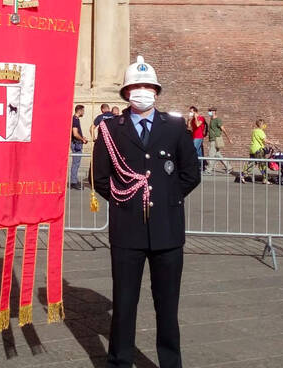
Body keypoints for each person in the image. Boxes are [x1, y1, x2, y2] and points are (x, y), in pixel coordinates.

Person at [93, 56, 200, 368]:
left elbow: (190, 173)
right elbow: (101, 179)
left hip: (168, 231)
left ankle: (170, 363)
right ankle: (119, 362)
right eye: (136, 86)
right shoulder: (111, 130)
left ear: (156, 91)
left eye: (148, 86)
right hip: (128, 232)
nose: (142, 91)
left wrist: (167, 198)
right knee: (125, 304)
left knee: (168, 307)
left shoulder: (176, 126)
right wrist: (128, 201)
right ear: (127, 92)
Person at [240, 118, 277, 184]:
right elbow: (265, 140)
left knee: (251, 163)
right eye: (264, 124)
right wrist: (273, 143)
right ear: (261, 125)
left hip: (253, 149)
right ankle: (265, 179)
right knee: (263, 164)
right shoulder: (260, 131)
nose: (265, 126)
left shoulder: (254, 131)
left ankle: (242, 175)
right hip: (258, 150)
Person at [204, 107, 232, 174]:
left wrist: (229, 138)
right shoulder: (211, 119)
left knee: (211, 155)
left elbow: (223, 129)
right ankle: (229, 167)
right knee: (218, 154)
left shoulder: (217, 120)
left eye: (210, 111)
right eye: (209, 111)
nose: (209, 112)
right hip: (212, 139)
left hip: (215, 139)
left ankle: (209, 170)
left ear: (214, 111)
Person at [70, 104, 87, 190]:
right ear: (79, 110)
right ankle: (73, 182)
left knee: (76, 163)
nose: (83, 112)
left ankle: (75, 180)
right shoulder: (75, 120)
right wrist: (82, 140)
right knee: (75, 163)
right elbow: (75, 133)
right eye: (83, 111)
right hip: (76, 143)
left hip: (77, 142)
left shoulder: (75, 119)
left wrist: (82, 137)